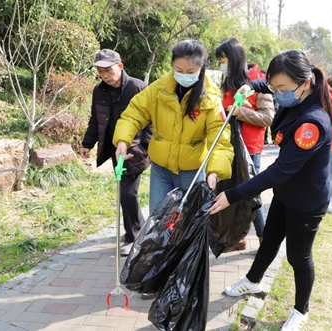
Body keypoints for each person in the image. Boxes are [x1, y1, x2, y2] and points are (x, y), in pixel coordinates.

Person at [209, 50, 332, 331]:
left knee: (298, 257)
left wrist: (232, 195)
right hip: (285, 193)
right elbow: (266, 84)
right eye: (274, 87)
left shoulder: (312, 123)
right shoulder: (295, 92)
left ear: (305, 83)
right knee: (269, 240)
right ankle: (253, 281)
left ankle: (301, 311)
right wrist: (250, 85)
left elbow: (280, 169)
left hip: (307, 200)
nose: (278, 94)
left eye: (283, 89)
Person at [113, 39, 234, 215]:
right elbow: (134, 113)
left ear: (201, 68)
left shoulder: (211, 100)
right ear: (172, 66)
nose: (184, 75)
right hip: (161, 170)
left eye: (190, 71)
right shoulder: (159, 90)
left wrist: (214, 171)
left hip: (192, 172)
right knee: (158, 220)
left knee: (187, 223)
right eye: (179, 70)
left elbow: (220, 140)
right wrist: (123, 141)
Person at [80, 49, 152, 256]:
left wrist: (145, 146)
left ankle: (134, 235)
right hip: (113, 148)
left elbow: (152, 121)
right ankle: (134, 230)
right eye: (100, 71)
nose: (104, 75)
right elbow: (95, 118)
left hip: (134, 148)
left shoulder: (137, 87)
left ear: (120, 67)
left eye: (108, 70)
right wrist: (88, 143)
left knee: (127, 192)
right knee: (124, 190)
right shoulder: (99, 90)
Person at [215, 38, 275, 250]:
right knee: (231, 193)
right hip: (228, 148)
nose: (222, 63)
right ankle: (237, 238)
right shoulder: (228, 82)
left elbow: (268, 117)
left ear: (234, 57)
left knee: (250, 195)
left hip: (249, 149)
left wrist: (240, 112)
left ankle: (264, 239)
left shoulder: (259, 82)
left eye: (223, 59)